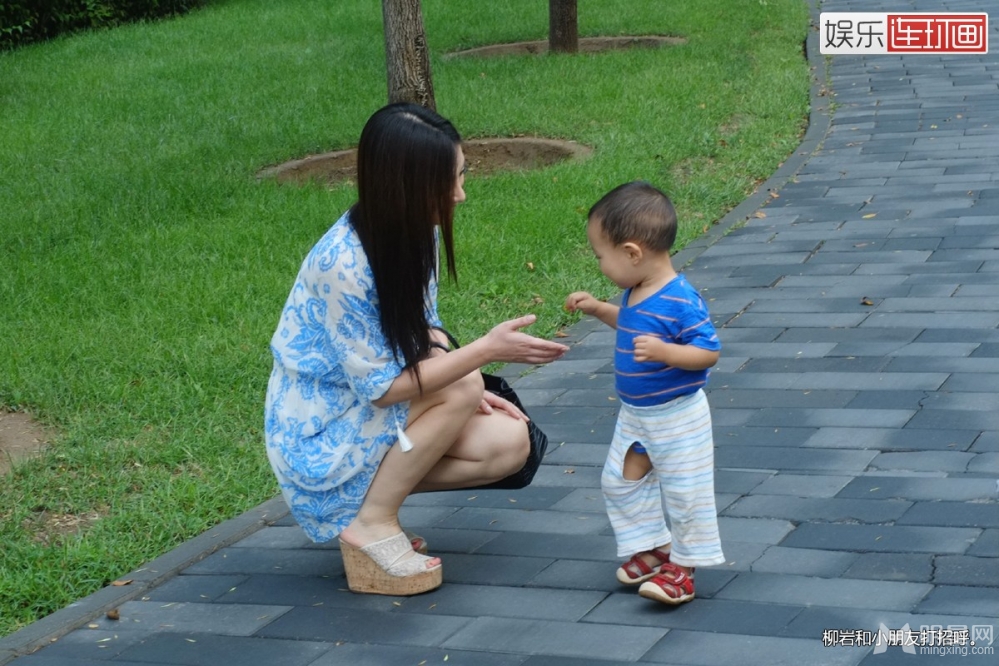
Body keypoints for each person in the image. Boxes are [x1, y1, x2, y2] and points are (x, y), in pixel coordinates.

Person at [264, 102, 568, 596]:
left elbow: (426, 330)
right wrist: (481, 357)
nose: (460, 195)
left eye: (461, 176)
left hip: (364, 414)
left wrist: (459, 387)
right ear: (404, 186)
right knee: (466, 382)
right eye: (447, 183)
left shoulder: (411, 232)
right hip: (319, 432)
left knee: (509, 443)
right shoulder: (343, 264)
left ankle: (361, 510)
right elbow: (383, 390)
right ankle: (372, 521)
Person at [565, 181, 725, 605]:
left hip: (677, 415)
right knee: (620, 480)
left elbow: (708, 352)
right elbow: (634, 325)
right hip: (636, 414)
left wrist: (665, 352)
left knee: (684, 491)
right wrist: (601, 309)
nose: (599, 263)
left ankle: (684, 570)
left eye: (601, 255)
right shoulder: (636, 290)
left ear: (632, 253)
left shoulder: (681, 300)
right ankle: (655, 547)